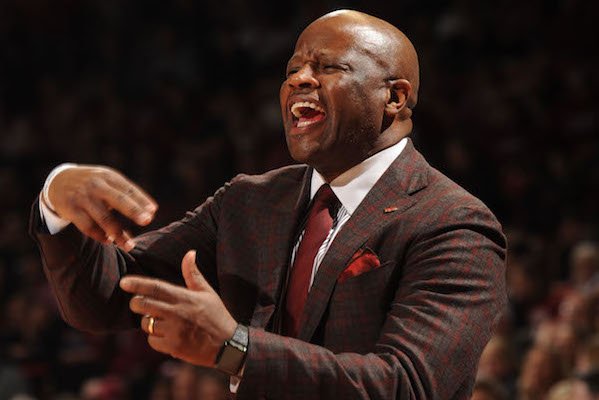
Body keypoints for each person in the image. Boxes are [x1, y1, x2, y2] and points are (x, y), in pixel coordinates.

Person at [29, 9, 507, 399]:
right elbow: (107, 298)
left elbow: (409, 386)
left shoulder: (452, 223)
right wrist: (57, 198)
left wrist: (236, 349)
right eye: (292, 69)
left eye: (327, 67)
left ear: (394, 97)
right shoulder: (250, 201)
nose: (299, 78)